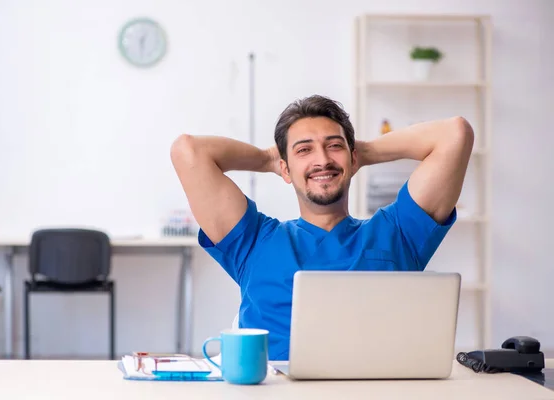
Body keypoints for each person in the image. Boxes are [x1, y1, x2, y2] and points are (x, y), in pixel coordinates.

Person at [170, 95, 474, 361]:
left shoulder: (398, 234)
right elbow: (189, 151)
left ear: (354, 159)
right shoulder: (253, 241)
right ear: (285, 168)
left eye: (334, 146)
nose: (323, 160)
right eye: (304, 150)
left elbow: (454, 134)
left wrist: (362, 153)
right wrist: (267, 159)